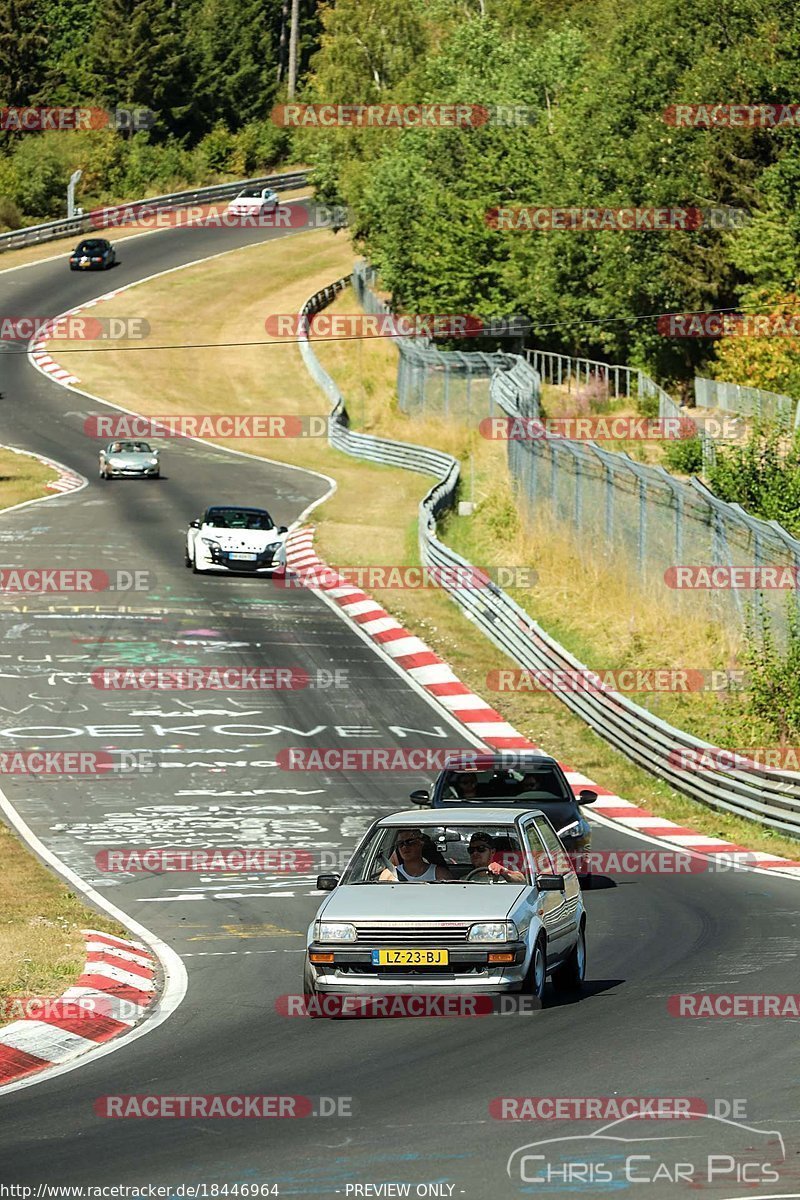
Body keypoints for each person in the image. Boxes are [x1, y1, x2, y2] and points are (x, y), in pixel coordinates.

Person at [379, 829, 452, 882]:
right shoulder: (388, 874)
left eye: (409, 842)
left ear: (421, 843)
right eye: (400, 843)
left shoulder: (440, 874)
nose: (405, 847)